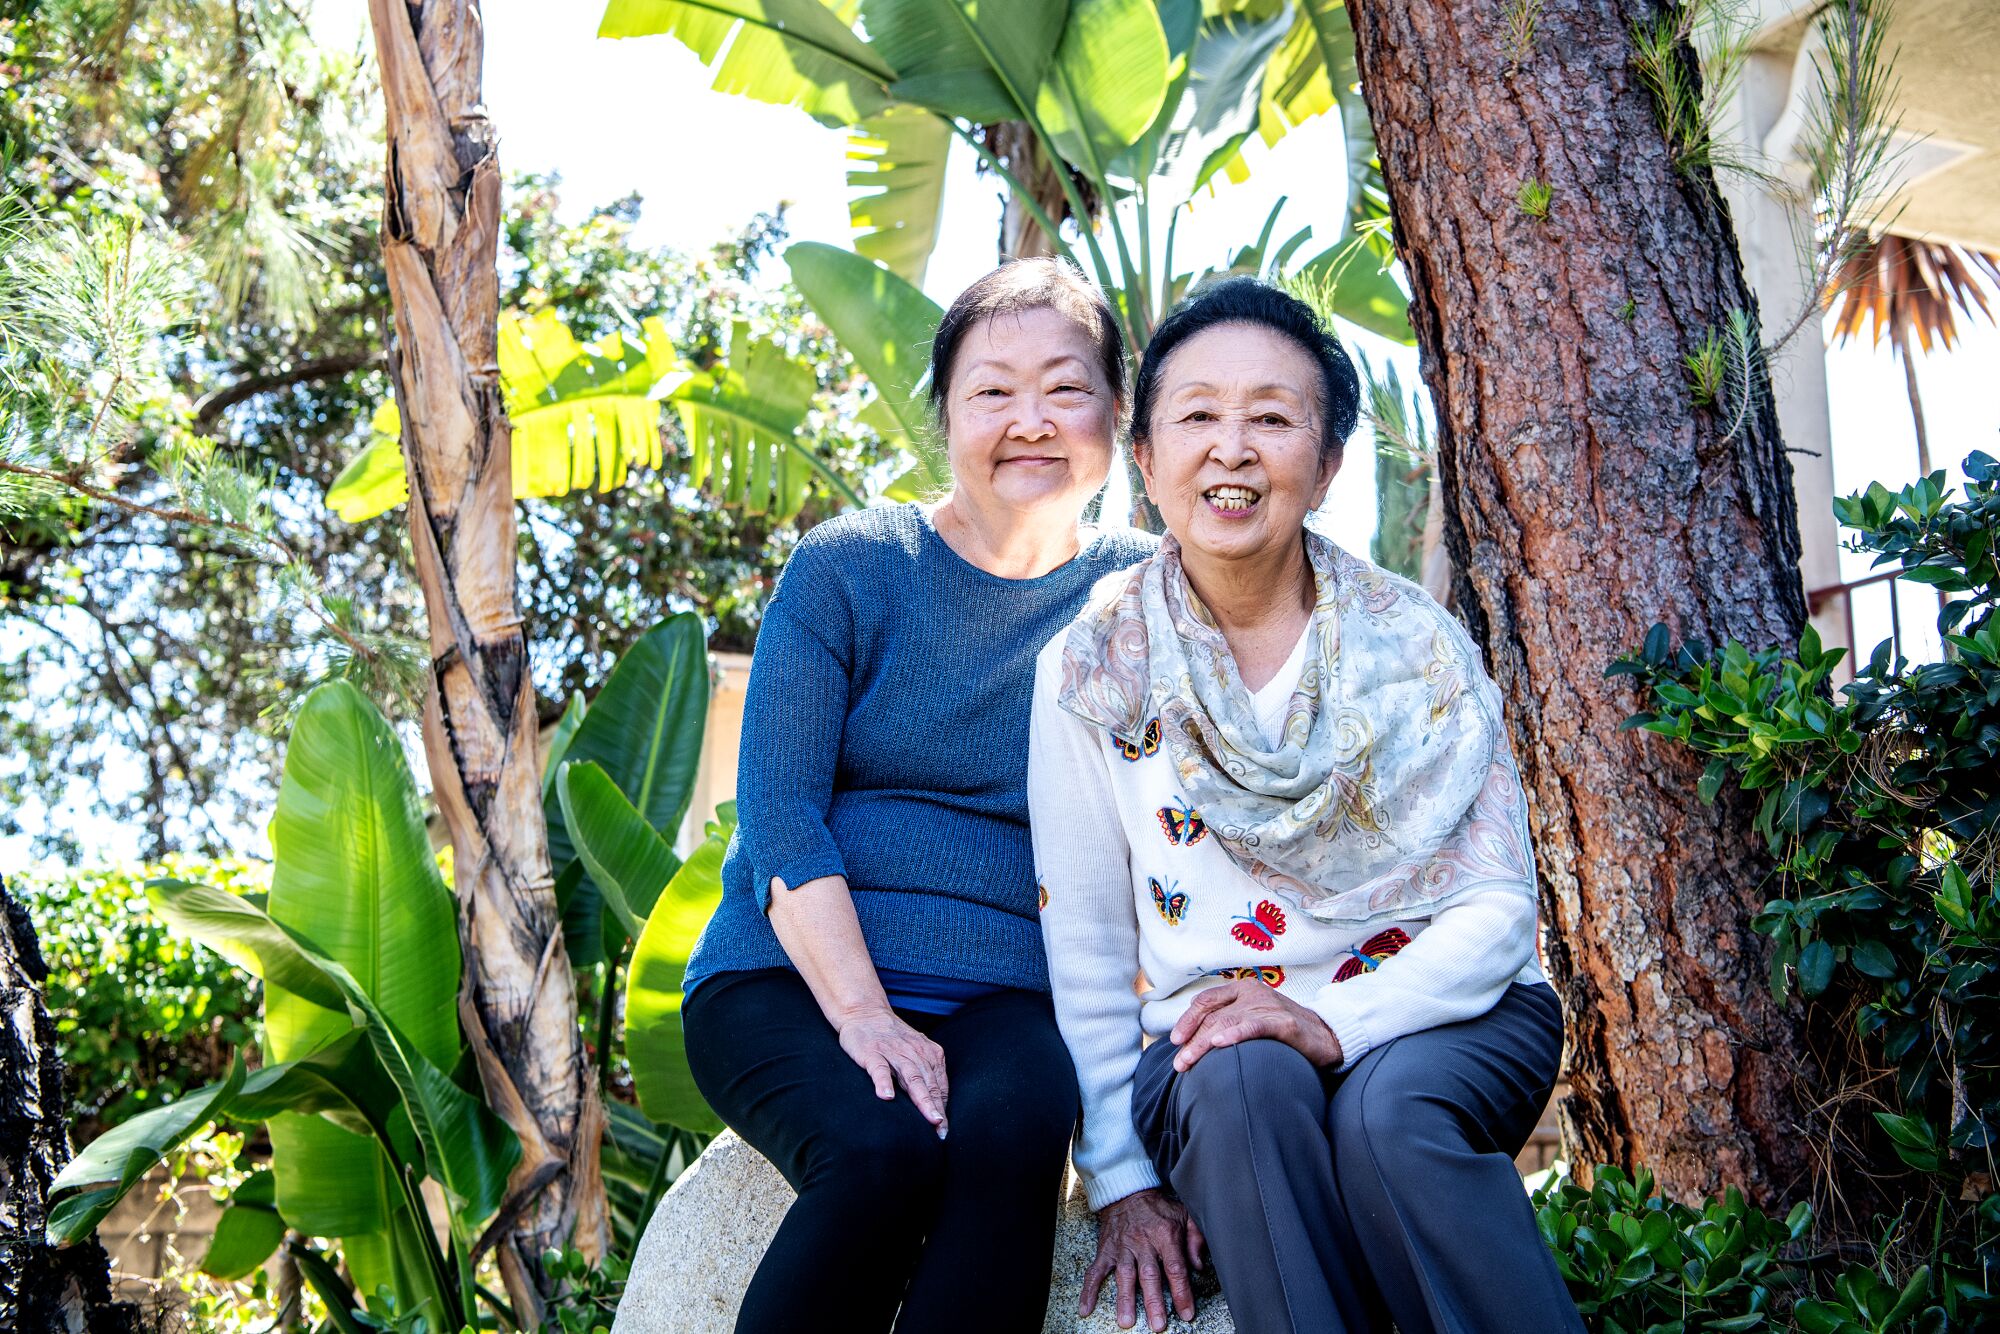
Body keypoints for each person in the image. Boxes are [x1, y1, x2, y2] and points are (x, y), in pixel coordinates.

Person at [1029, 277, 1585, 1334]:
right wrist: (1119, 1176)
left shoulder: (1414, 645)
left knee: (1390, 1115)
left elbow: (1494, 913)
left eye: (1272, 418)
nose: (1230, 448)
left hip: (1443, 1010)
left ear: (1324, 466)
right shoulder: (1090, 670)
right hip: (1214, 1053)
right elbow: (1088, 941)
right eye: (1195, 415)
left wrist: (1330, 1021)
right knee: (1241, 1084)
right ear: (1145, 459)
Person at [678, 258, 1156, 1334]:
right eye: (991, 390)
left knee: (1016, 1130)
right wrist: (864, 1014)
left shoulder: (1141, 595)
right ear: (943, 413)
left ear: (1117, 417)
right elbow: (780, 815)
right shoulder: (849, 565)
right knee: (885, 1148)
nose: (1027, 420)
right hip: (790, 979)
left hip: (1009, 996)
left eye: (1064, 387)